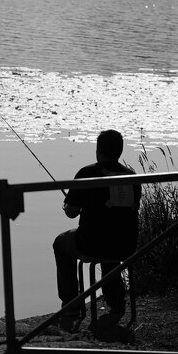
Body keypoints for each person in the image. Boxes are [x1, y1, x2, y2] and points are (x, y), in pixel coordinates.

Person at [52, 129, 140, 324]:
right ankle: (116, 303)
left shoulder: (87, 173)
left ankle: (71, 307)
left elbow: (72, 212)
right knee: (111, 240)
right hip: (126, 245)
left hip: (91, 243)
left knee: (60, 243)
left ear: (98, 150)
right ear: (120, 151)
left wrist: (67, 204)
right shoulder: (131, 177)